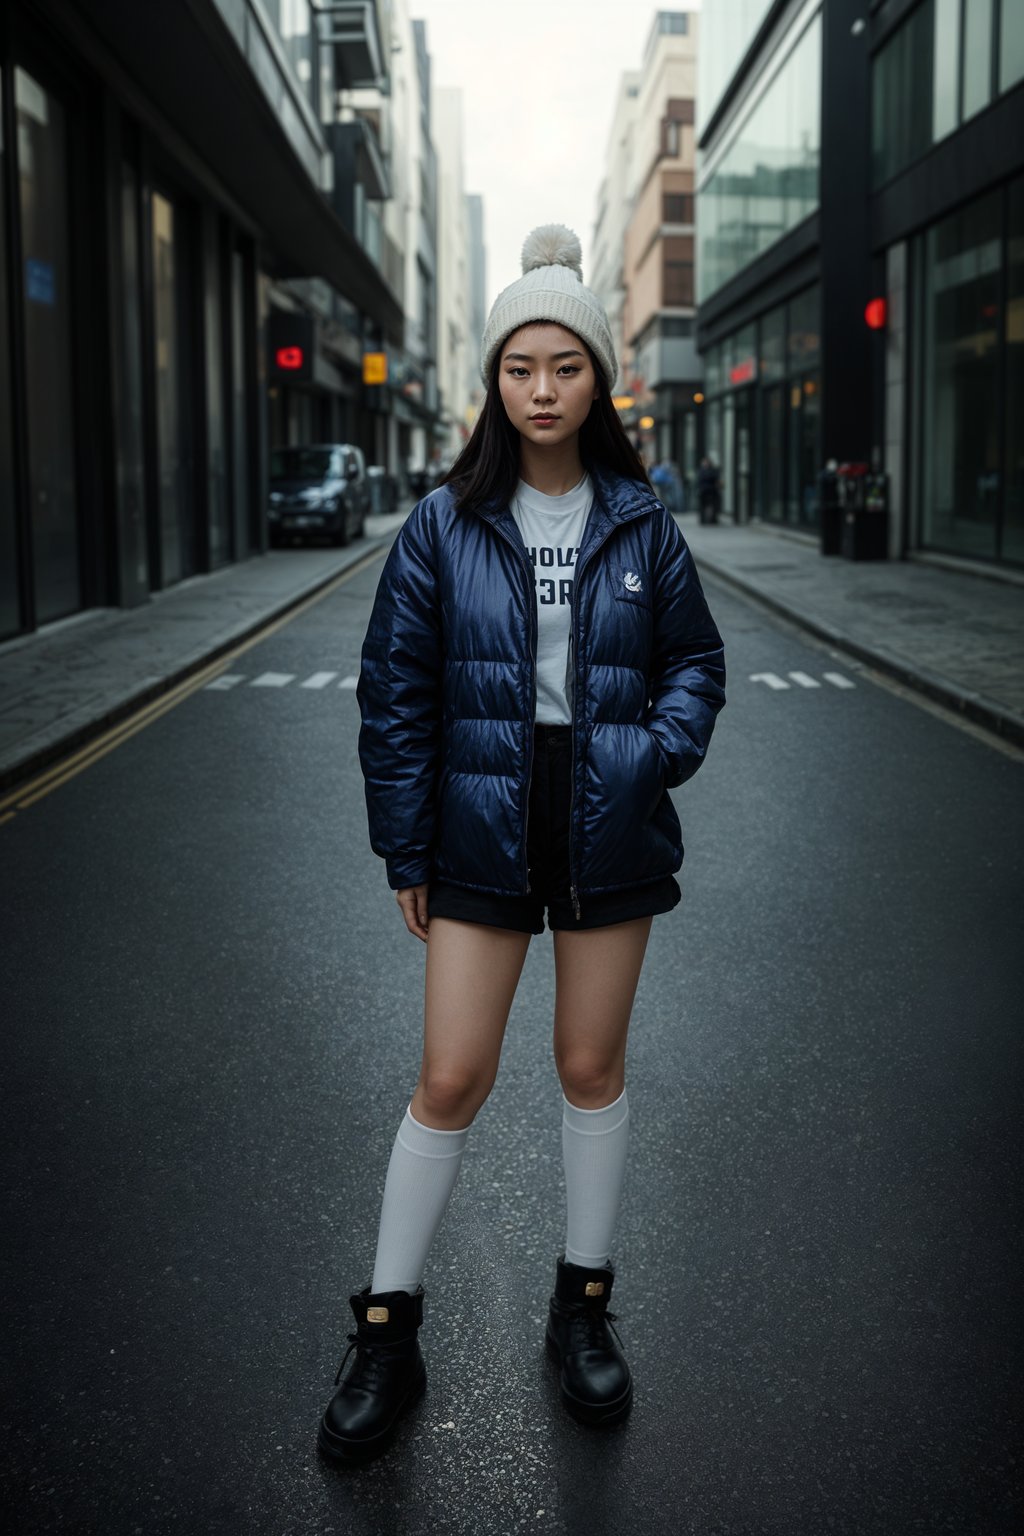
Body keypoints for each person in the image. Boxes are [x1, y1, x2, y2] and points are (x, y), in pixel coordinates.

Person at [317, 225, 726, 1465]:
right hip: (480, 820)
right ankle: (387, 1330)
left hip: (608, 816)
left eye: (565, 367)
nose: (542, 390)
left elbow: (695, 666)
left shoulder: (644, 527)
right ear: (492, 382)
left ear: (599, 380)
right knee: (449, 1079)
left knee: (590, 1069)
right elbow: (392, 696)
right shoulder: (442, 525)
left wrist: (650, 753)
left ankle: (581, 1309)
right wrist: (407, 847)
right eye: (518, 368)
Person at [697, 457, 721, 525]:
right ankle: (704, 519)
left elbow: (715, 478)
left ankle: (712, 519)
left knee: (712, 506)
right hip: (704, 491)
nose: (705, 464)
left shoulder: (712, 471)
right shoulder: (702, 471)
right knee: (703, 506)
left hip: (711, 491)